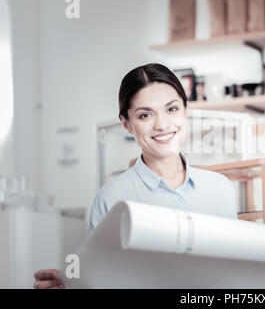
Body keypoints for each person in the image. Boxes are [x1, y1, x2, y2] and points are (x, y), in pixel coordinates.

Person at [34, 63, 237, 289]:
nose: (162, 125)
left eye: (172, 109)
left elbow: (235, 272)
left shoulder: (221, 189)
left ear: (185, 110)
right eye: (145, 115)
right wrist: (74, 282)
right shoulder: (111, 199)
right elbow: (99, 276)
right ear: (126, 124)